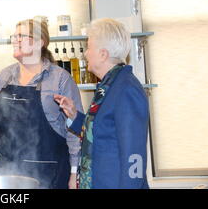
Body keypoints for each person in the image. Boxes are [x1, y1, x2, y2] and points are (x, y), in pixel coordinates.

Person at [0, 19, 83, 189]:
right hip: (8, 173)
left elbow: (74, 131)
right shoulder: (4, 77)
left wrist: (74, 173)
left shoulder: (60, 79)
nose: (14, 40)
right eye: (14, 36)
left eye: (21, 36)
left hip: (50, 174)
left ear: (39, 43)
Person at [55, 18, 149, 189]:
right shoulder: (109, 85)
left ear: (103, 54)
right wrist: (75, 116)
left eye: (89, 47)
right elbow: (103, 132)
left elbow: (134, 156)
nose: (85, 53)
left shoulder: (127, 89)